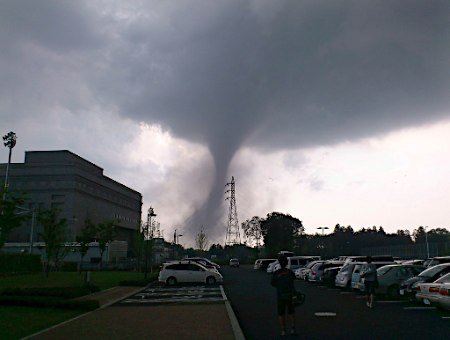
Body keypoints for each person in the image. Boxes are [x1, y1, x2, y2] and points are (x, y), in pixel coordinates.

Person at [271, 255, 296, 336]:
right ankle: (292, 328)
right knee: (291, 312)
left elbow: (273, 283)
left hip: (280, 295)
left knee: (281, 313)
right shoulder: (290, 272)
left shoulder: (276, 273)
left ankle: (283, 330)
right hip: (290, 294)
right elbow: (293, 280)